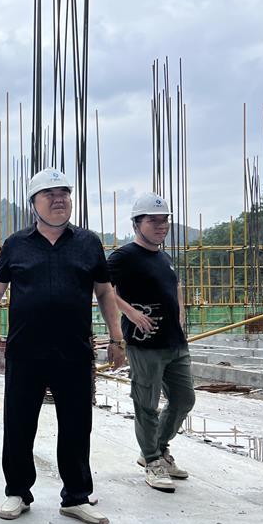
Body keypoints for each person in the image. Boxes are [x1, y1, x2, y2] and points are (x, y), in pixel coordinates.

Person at [0, 168, 126, 524]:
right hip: (26, 351)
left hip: (74, 351)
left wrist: (117, 339)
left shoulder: (88, 243)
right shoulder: (16, 244)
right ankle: (17, 491)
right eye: (49, 195)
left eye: (64, 194)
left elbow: (104, 292)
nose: (58, 200)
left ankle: (76, 497)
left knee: (76, 425)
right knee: (19, 424)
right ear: (33, 204)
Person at [107, 192, 194, 493]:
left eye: (164, 220)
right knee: (146, 403)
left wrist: (180, 311)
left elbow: (176, 285)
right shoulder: (123, 257)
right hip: (145, 345)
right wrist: (130, 313)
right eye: (153, 221)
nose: (161, 226)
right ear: (136, 223)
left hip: (175, 342)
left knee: (184, 399)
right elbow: (104, 289)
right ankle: (153, 459)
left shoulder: (164, 257)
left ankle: (158, 447)